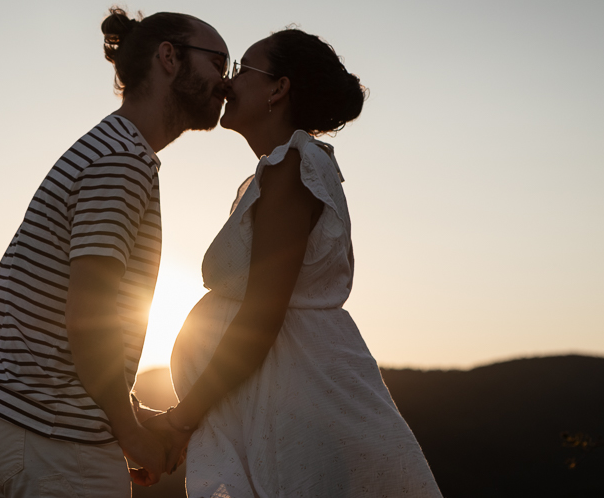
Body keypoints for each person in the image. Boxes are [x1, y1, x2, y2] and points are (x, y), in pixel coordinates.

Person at [145, 29, 443, 497]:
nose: (228, 83)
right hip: (284, 398)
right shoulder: (283, 169)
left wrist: (182, 420)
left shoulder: (292, 169)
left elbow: (262, 316)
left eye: (243, 70)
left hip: (301, 402)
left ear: (278, 89)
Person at [0, 7, 230, 497]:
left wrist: (126, 413)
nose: (227, 82)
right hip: (56, 442)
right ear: (169, 58)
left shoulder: (112, 150)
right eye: (218, 62)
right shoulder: (120, 162)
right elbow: (89, 315)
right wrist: (128, 433)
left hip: (26, 426)